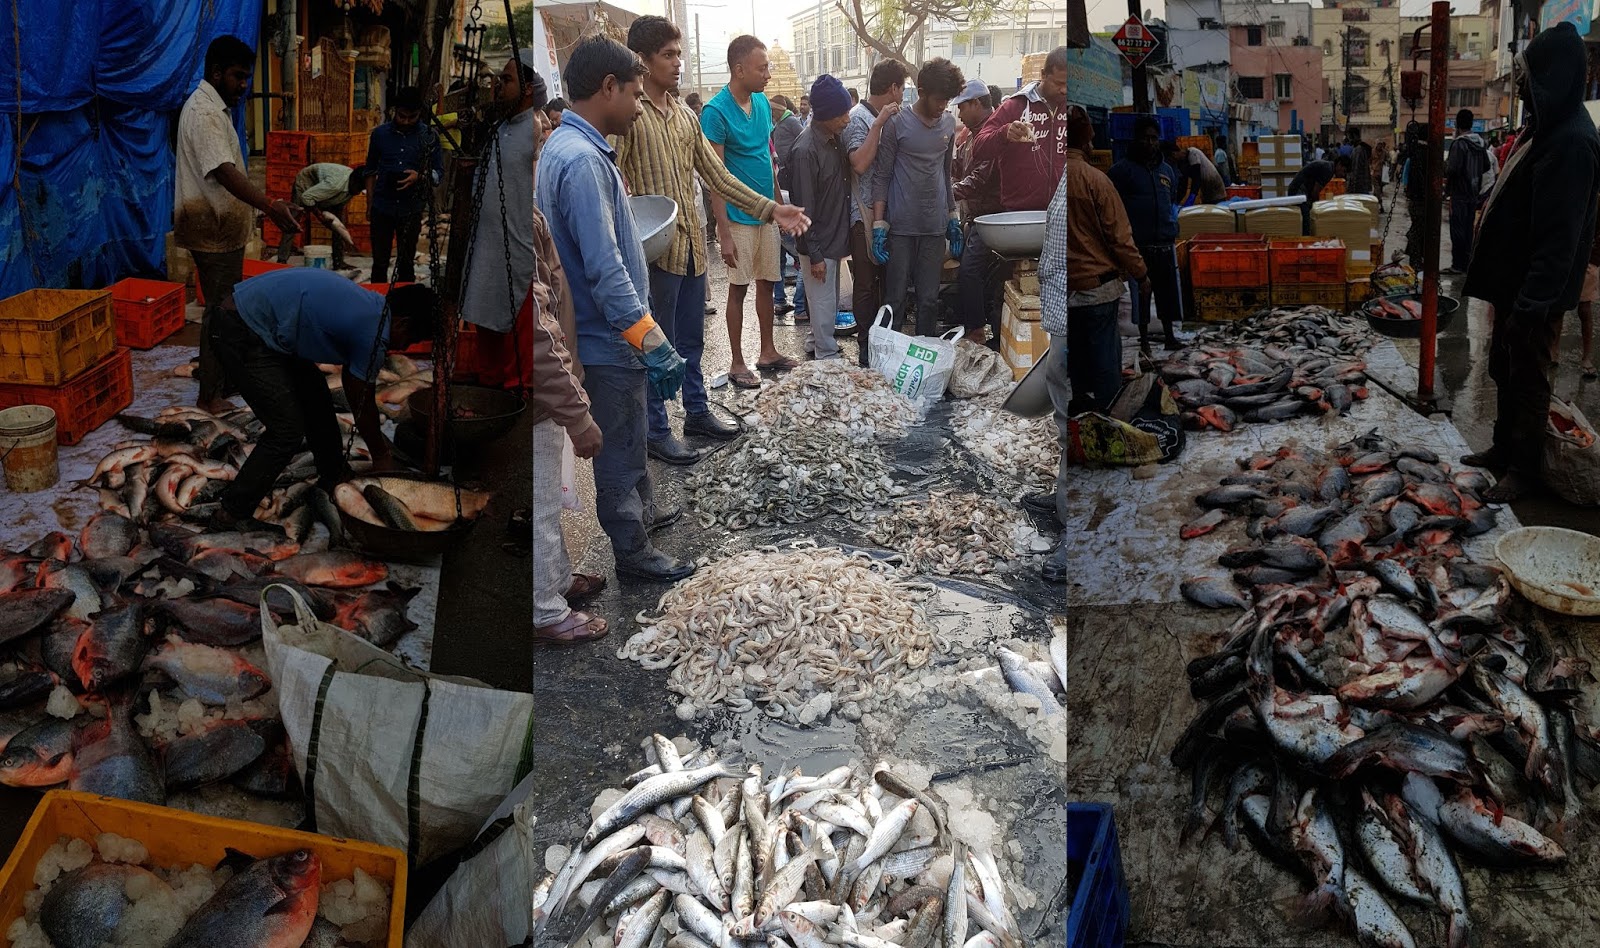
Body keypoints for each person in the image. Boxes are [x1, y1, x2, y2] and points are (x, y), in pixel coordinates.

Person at [538, 35, 697, 584]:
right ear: (608, 89)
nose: (636, 105)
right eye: (632, 94)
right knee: (622, 446)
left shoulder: (571, 148)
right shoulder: (582, 162)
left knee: (629, 437)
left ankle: (645, 516)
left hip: (602, 333)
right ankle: (632, 549)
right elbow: (605, 272)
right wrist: (650, 340)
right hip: (606, 340)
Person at [616, 16, 810, 463]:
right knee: (653, 343)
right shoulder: (630, 113)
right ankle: (657, 429)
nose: (678, 62)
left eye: (679, 53)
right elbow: (613, 182)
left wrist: (771, 208)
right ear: (642, 62)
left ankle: (697, 411)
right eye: (669, 54)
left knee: (691, 340)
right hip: (653, 253)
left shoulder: (685, 115)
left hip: (689, 250)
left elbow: (717, 176)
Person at [1462, 21, 1600, 503]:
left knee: (1530, 378)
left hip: (1534, 291)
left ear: (1553, 77)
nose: (1519, 84)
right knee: (1504, 365)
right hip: (1512, 284)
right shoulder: (1541, 130)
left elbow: (1559, 237)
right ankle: (1503, 449)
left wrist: (1533, 301)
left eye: (1526, 75)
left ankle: (1526, 468)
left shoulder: (1572, 141)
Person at [207, 271, 435, 531]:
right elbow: (360, 398)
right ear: (402, 324)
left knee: (316, 398)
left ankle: (333, 475)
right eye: (411, 340)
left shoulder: (374, 309)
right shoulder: (371, 330)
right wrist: (381, 455)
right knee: (286, 431)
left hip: (266, 327)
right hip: (241, 328)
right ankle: (231, 514)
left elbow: (354, 386)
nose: (404, 348)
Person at [176, 36, 301, 415]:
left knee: (226, 308)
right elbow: (225, 173)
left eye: (247, 77)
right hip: (210, 229)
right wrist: (270, 205)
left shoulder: (215, 108)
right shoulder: (205, 113)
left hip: (220, 229)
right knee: (219, 312)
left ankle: (223, 379)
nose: (244, 85)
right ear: (216, 73)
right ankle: (208, 396)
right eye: (238, 76)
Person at [702, 36, 797, 388]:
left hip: (765, 215)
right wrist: (723, 233)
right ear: (739, 69)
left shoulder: (760, 104)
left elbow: (765, 160)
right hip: (737, 218)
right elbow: (716, 177)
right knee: (738, 289)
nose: (768, 75)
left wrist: (779, 209)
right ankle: (737, 361)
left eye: (769, 67)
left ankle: (768, 352)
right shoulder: (715, 112)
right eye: (762, 68)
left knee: (768, 283)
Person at [528, 276, 610, 644]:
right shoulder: (518, 224)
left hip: (545, 393)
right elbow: (538, 337)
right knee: (541, 507)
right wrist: (577, 416)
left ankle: (556, 579)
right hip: (536, 396)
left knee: (547, 502)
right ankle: (545, 609)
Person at [460, 51, 547, 391]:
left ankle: (514, 404)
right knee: (487, 325)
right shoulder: (499, 128)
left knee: (516, 341)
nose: (498, 86)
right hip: (487, 248)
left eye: (507, 80)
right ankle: (490, 390)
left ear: (527, 90)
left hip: (516, 252)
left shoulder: (532, 129)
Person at [870, 57, 964, 338]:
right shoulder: (897, 124)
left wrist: (953, 218)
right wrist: (878, 226)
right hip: (900, 228)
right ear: (921, 91)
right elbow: (882, 176)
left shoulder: (948, 125)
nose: (942, 106)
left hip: (934, 228)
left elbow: (945, 175)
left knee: (928, 301)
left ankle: (924, 359)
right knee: (895, 299)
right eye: (938, 99)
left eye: (947, 101)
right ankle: (889, 357)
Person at [1064, 105, 1147, 413]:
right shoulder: (1096, 181)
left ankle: (1079, 415)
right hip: (1097, 291)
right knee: (1104, 364)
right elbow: (1121, 240)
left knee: (1074, 361)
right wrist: (1141, 274)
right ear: (1085, 141)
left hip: (1062, 292)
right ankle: (1107, 422)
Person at [844, 60, 909, 366]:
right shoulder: (858, 119)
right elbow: (859, 163)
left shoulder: (896, 118)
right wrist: (879, 124)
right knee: (866, 284)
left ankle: (885, 342)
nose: (903, 94)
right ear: (893, 88)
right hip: (864, 216)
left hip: (889, 214)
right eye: (903, 88)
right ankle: (865, 345)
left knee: (888, 283)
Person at [789, 75, 855, 361]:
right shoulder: (805, 151)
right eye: (841, 114)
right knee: (824, 303)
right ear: (826, 114)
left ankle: (815, 342)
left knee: (822, 303)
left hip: (833, 236)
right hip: (817, 240)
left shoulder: (834, 139)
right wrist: (814, 255)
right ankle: (826, 357)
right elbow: (803, 210)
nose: (847, 120)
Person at [1108, 115, 1183, 351]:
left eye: (1154, 138)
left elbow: (1171, 200)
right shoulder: (1121, 171)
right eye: (1145, 138)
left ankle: (1170, 337)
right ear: (1136, 140)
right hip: (1138, 246)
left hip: (1164, 243)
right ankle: (1144, 342)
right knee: (1141, 294)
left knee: (1167, 294)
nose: (1150, 143)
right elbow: (1113, 208)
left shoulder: (1167, 171)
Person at [364, 86, 443, 284]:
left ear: (420, 114)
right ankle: (376, 305)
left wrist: (421, 176)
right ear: (394, 111)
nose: (406, 121)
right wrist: (369, 204)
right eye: (402, 116)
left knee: (406, 263)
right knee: (380, 263)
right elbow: (370, 170)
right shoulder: (380, 135)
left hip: (411, 209)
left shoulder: (429, 137)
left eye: (412, 117)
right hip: (382, 206)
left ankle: (403, 310)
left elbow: (438, 173)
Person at [973, 46, 1067, 212]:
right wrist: (1004, 133)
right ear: (1043, 74)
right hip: (1020, 212)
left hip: (1062, 212)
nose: (1064, 90)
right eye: (1058, 83)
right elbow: (978, 148)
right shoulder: (1015, 106)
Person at [952, 79, 1005, 348]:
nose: (959, 114)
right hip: (976, 217)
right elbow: (960, 170)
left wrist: (947, 194)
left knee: (970, 273)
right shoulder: (972, 134)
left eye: (962, 107)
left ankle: (976, 331)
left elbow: (979, 178)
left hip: (991, 217)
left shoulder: (990, 133)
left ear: (976, 103)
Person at [1040, 169, 1069, 584]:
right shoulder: (1069, 173)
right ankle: (1064, 498)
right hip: (1060, 305)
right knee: (1064, 412)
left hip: (1075, 303)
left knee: (1076, 418)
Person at [275, 163, 364, 269]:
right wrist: (318, 214)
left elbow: (338, 207)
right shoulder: (334, 185)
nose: (358, 193)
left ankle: (338, 261)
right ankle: (281, 260)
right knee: (293, 222)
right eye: (358, 189)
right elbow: (306, 197)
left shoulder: (351, 188)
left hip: (324, 191)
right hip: (305, 186)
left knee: (338, 226)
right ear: (354, 182)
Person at [769, 94, 808, 321]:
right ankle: (789, 303)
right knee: (788, 257)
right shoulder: (770, 132)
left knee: (797, 255)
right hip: (778, 201)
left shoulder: (791, 123)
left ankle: (796, 304)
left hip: (785, 198)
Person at [1444, 108, 1494, 275]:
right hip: (1473, 194)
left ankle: (1457, 265)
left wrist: (1446, 188)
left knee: (1457, 230)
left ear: (1457, 124)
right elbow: (1486, 166)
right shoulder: (1480, 144)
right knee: (1467, 230)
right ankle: (1465, 264)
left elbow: (1453, 170)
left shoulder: (1459, 144)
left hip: (1459, 194)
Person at [1288, 154, 1352, 233]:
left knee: (1306, 216)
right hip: (1298, 190)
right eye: (1344, 171)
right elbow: (1315, 192)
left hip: (1300, 190)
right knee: (1306, 219)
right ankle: (1305, 240)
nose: (1343, 175)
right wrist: (1320, 208)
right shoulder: (1328, 170)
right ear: (1339, 164)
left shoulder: (1328, 167)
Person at [1162, 140, 1228, 205]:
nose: (1173, 161)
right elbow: (1183, 182)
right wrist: (1177, 202)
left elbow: (1197, 179)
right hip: (1206, 192)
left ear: (1174, 153)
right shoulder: (1181, 162)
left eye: (1171, 159)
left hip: (1215, 186)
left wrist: (1191, 197)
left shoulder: (1193, 153)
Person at [1347, 127, 1373, 194]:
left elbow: (1356, 170)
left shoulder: (1358, 150)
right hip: (1363, 185)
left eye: (1350, 137)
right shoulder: (1359, 148)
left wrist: (1353, 188)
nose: (1349, 140)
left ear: (1355, 136)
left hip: (1359, 187)